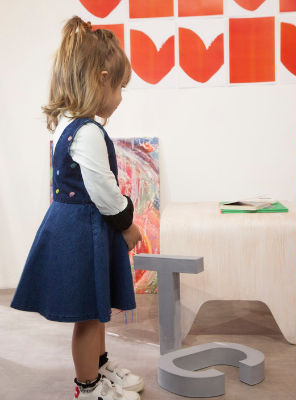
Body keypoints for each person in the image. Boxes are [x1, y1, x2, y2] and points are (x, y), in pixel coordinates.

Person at [10, 16, 144, 400]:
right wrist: (128, 225)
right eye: (120, 87)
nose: (121, 97)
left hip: (84, 228)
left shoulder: (73, 124)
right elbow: (103, 191)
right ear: (102, 79)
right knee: (87, 315)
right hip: (81, 233)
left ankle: (99, 368)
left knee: (96, 309)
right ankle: (88, 387)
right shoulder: (86, 132)